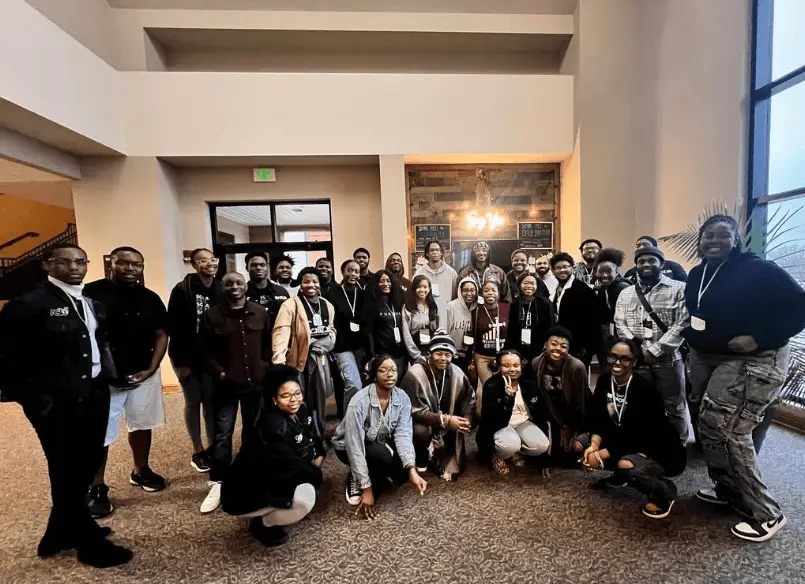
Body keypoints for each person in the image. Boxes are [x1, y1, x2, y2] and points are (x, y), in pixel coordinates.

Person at [0, 244, 132, 567]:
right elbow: (8, 360)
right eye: (66, 261)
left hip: (94, 395)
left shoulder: (90, 303)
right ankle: (87, 543)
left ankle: (57, 533)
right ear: (48, 263)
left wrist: (109, 382)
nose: (75, 267)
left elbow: (98, 347)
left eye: (81, 261)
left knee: (82, 467)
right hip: (57, 403)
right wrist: (37, 402)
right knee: (68, 468)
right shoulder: (28, 305)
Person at [685, 215, 805, 542]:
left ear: (735, 240)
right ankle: (729, 492)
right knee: (708, 425)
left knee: (729, 429)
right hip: (711, 357)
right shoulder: (699, 273)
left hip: (753, 359)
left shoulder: (759, 269)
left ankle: (767, 513)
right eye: (708, 236)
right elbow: (698, 316)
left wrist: (759, 338)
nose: (713, 241)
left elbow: (800, 307)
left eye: (722, 236)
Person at [84, 247, 168, 519]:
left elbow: (161, 334)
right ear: (112, 263)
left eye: (137, 264)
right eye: (124, 263)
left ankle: (140, 470)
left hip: (143, 373)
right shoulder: (91, 294)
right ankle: (96, 487)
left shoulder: (150, 298)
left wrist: (152, 368)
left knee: (142, 424)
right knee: (99, 433)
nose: (131, 268)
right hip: (104, 379)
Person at [580, 339, 686, 519]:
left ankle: (665, 493)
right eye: (613, 356)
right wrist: (594, 445)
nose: (617, 363)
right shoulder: (605, 380)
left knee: (626, 465)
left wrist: (603, 454)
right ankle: (620, 477)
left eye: (625, 359)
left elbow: (640, 435)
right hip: (623, 437)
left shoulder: (646, 390)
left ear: (634, 362)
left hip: (658, 449)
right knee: (580, 443)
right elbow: (598, 416)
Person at [221, 365, 324, 547]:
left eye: (297, 393)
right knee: (306, 499)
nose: (294, 400)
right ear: (274, 399)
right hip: (243, 493)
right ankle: (262, 523)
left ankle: (273, 509)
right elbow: (298, 468)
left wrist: (318, 456)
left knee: (305, 482)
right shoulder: (272, 426)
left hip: (275, 476)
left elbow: (315, 441)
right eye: (285, 396)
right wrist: (316, 471)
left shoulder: (301, 410)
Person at [199, 272, 270, 514]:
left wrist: (266, 367)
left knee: (254, 429)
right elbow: (204, 351)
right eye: (229, 283)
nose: (234, 287)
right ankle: (218, 480)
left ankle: (249, 473)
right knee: (223, 433)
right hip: (225, 385)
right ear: (223, 287)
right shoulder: (212, 315)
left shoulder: (260, 312)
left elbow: (268, 345)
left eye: (238, 283)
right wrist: (219, 372)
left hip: (255, 384)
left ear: (245, 286)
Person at [332, 355, 428, 519]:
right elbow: (355, 445)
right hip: (348, 447)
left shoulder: (402, 397)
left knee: (401, 474)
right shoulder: (359, 401)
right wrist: (367, 489)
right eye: (383, 370)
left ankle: (371, 472)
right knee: (381, 456)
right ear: (374, 375)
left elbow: (403, 434)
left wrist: (411, 469)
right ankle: (356, 477)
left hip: (377, 438)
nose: (390, 374)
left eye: (393, 370)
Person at [614, 246, 691, 444]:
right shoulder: (626, 293)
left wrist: (656, 350)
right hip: (638, 360)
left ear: (661, 264)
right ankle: (647, 443)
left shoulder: (678, 289)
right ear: (636, 265)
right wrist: (635, 350)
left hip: (667, 359)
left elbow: (683, 322)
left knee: (674, 405)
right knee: (641, 403)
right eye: (641, 261)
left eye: (651, 260)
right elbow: (620, 322)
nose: (646, 264)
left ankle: (676, 447)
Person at [167, 247, 222, 473]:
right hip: (187, 357)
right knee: (193, 401)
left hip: (211, 357)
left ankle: (213, 446)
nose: (209, 264)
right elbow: (175, 329)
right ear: (194, 264)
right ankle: (197, 450)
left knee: (211, 402)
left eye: (212, 259)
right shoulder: (183, 289)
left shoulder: (220, 288)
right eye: (203, 260)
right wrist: (181, 363)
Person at [400, 333, 475, 480]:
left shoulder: (456, 372)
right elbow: (410, 409)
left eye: (448, 355)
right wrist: (445, 420)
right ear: (430, 353)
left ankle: (445, 449)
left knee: (472, 415)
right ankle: (421, 453)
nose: (443, 358)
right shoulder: (415, 373)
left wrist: (466, 419)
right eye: (439, 353)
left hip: (447, 416)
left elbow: (469, 397)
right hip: (422, 421)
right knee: (420, 430)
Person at [272, 267, 336, 432]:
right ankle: (301, 432)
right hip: (300, 358)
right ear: (300, 284)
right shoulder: (291, 304)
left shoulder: (327, 304)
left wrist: (328, 341)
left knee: (319, 398)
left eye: (314, 281)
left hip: (320, 358)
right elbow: (281, 332)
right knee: (300, 396)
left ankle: (319, 431)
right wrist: (279, 360)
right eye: (306, 281)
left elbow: (331, 329)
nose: (310, 285)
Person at [478, 350, 550, 475]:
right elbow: (491, 421)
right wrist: (508, 398)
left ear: (521, 366)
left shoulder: (529, 384)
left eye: (516, 365)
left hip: (523, 422)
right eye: (506, 366)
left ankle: (518, 452)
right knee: (510, 445)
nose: (512, 369)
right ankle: (496, 455)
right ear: (498, 367)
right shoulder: (491, 385)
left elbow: (540, 413)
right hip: (501, 425)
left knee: (542, 445)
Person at [530, 326, 590, 468]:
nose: (558, 349)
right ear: (545, 345)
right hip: (550, 411)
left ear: (568, 349)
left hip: (571, 411)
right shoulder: (537, 363)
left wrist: (570, 427)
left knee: (569, 456)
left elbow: (580, 401)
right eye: (554, 344)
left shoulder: (577, 367)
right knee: (545, 454)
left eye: (563, 346)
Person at [325, 259, 365, 414]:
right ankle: (349, 418)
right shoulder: (332, 293)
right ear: (342, 272)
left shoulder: (362, 294)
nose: (353, 274)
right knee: (353, 383)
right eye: (350, 270)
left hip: (360, 346)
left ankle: (354, 416)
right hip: (341, 347)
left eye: (356, 271)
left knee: (359, 382)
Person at [550, 252, 600, 366]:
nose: (562, 270)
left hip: (579, 347)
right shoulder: (556, 289)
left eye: (565, 267)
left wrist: (586, 348)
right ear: (552, 271)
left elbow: (592, 321)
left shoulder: (582, 290)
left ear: (572, 268)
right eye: (558, 268)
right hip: (561, 344)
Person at [471, 280, 509, 414]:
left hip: (503, 356)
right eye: (486, 290)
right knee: (489, 386)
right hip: (483, 356)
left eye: (493, 290)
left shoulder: (505, 308)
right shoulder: (476, 311)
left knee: (504, 386)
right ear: (481, 293)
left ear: (498, 293)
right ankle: (486, 416)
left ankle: (503, 414)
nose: (490, 293)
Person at [362, 269, 408, 376]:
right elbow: (368, 333)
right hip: (382, 354)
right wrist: (373, 355)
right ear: (376, 284)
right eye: (382, 281)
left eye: (388, 281)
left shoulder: (398, 302)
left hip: (400, 353)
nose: (386, 284)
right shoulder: (371, 305)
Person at [505, 272, 554, 368]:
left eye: (532, 283)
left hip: (539, 350)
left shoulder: (545, 303)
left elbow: (551, 326)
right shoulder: (514, 304)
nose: (529, 286)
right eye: (525, 283)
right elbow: (511, 330)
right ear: (519, 285)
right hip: (519, 350)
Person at [595, 248, 630, 363]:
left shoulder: (623, 288)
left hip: (625, 339)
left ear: (616, 273)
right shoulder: (602, 289)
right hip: (611, 337)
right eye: (601, 271)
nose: (604, 275)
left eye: (609, 271)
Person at [414, 240, 458, 328]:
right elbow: (415, 296)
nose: (435, 252)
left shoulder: (451, 273)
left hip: (446, 316)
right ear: (427, 254)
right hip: (424, 317)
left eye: (437, 250)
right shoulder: (419, 273)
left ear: (441, 253)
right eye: (432, 250)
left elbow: (455, 297)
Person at [245, 252, 290, 329]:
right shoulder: (242, 294)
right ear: (247, 268)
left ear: (267, 267)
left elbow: (290, 319)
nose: (258, 268)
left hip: (278, 338)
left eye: (262, 265)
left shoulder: (281, 292)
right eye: (254, 265)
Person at [401, 275, 440, 364]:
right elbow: (406, 333)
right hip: (415, 350)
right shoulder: (408, 307)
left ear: (429, 289)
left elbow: (436, 329)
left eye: (425, 287)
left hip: (431, 351)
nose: (422, 290)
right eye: (419, 287)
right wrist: (417, 355)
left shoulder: (433, 307)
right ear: (414, 288)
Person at [445, 277, 478, 371]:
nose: (469, 294)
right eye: (465, 290)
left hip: (471, 355)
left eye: (472, 290)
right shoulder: (451, 307)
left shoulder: (479, 308)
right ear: (460, 291)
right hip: (453, 353)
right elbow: (445, 331)